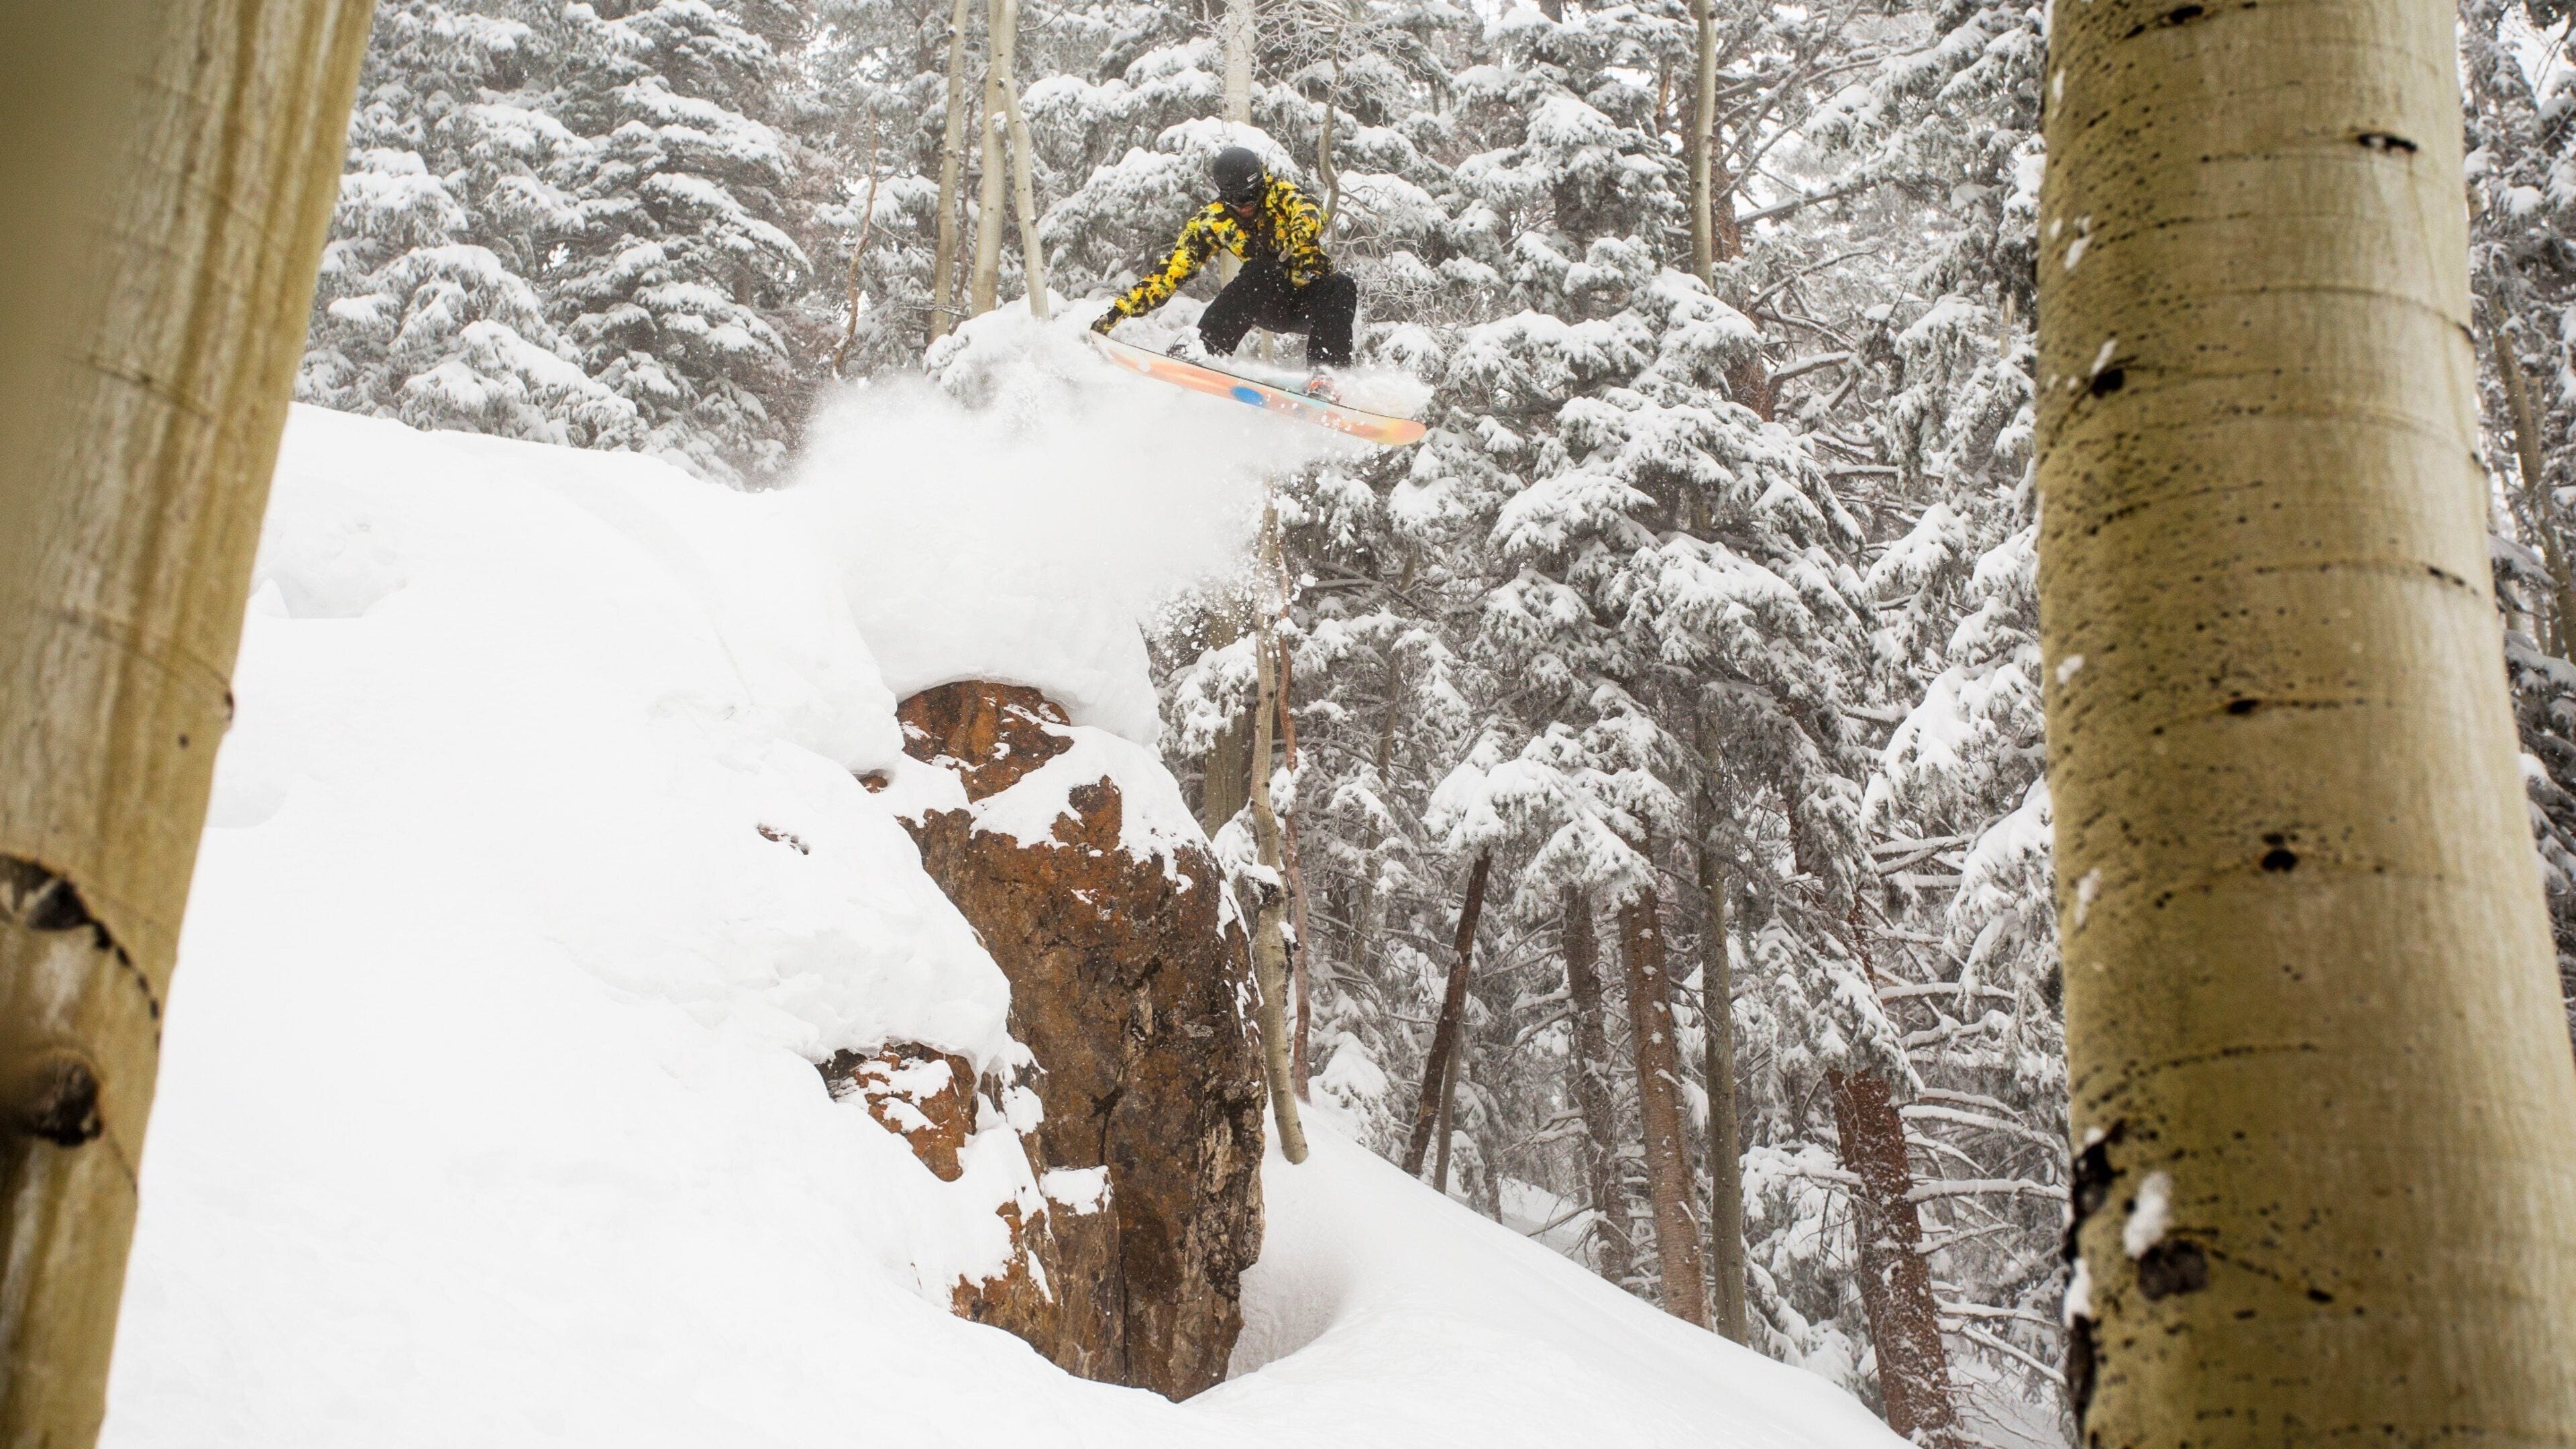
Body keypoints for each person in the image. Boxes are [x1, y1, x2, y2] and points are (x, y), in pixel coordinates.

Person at [1091, 146, 1358, 399]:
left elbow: (1310, 209)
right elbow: (1171, 271)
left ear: (1262, 185)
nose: (1244, 205)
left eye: (1250, 196)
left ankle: (1326, 374)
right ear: (1223, 195)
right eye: (1234, 199)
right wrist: (1120, 310)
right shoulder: (1214, 221)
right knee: (1262, 268)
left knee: (1341, 284)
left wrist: (1301, 229)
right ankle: (1205, 346)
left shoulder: (1281, 195)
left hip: (1310, 302)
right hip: (1267, 300)